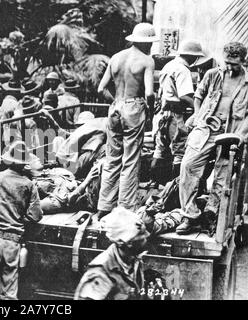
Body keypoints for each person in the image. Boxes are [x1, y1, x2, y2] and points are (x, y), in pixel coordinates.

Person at [177, 42, 248, 235]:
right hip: (206, 129)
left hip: (231, 133)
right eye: (227, 62)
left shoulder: (247, 82)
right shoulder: (213, 74)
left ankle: (211, 214)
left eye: (234, 64)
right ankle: (189, 215)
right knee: (188, 166)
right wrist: (199, 116)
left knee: (222, 176)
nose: (229, 67)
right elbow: (199, 95)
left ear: (243, 61)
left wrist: (241, 136)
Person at [96, 23, 157, 216]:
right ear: (146, 42)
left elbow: (100, 89)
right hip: (133, 107)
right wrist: (150, 111)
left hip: (115, 107)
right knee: (130, 159)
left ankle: (104, 206)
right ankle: (126, 207)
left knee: (112, 158)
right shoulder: (147, 60)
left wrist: (115, 101)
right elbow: (149, 93)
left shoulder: (116, 57)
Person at [0, 141, 43, 300]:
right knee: (9, 291)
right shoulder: (29, 185)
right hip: (12, 241)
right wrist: (19, 217)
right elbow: (36, 215)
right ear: (24, 164)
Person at [150, 40, 205, 186]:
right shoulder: (183, 70)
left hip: (162, 113)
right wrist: (199, 109)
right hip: (175, 114)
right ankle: (175, 187)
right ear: (192, 56)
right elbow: (185, 95)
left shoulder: (169, 66)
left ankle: (154, 183)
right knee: (179, 152)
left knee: (160, 149)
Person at [74, 207, 149, 300]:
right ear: (128, 242)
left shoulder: (132, 259)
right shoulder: (101, 272)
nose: (146, 238)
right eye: (141, 238)